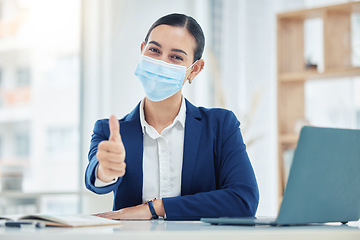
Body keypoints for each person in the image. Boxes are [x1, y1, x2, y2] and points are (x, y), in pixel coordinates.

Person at [85, 13, 259, 220]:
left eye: (176, 57)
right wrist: (106, 170)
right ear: (142, 51)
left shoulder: (220, 126)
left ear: (194, 70)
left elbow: (243, 200)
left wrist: (155, 208)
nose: (161, 62)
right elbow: (94, 178)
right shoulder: (110, 130)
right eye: (154, 50)